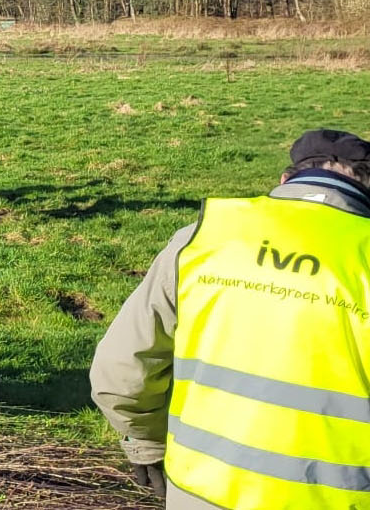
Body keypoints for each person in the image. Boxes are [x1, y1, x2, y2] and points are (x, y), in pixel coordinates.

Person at [90, 129, 370, 508]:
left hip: (200, 494)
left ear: (286, 181)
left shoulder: (200, 240)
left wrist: (145, 445)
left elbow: (120, 370)